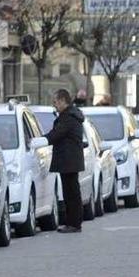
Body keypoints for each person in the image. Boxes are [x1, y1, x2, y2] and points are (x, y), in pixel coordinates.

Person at [46, 89, 86, 234]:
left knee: (71, 193)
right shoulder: (70, 115)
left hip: (69, 159)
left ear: (63, 101)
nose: (54, 105)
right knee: (70, 192)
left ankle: (74, 223)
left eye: (55, 102)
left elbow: (57, 134)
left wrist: (43, 140)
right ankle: (72, 222)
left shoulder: (68, 117)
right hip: (70, 159)